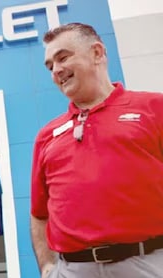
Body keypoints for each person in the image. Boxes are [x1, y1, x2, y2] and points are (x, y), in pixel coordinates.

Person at [30, 22, 163, 278]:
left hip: (148, 263)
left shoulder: (154, 109)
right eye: (50, 66)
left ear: (97, 53)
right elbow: (39, 213)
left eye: (63, 57)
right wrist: (47, 268)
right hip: (72, 270)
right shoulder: (47, 135)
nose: (56, 70)